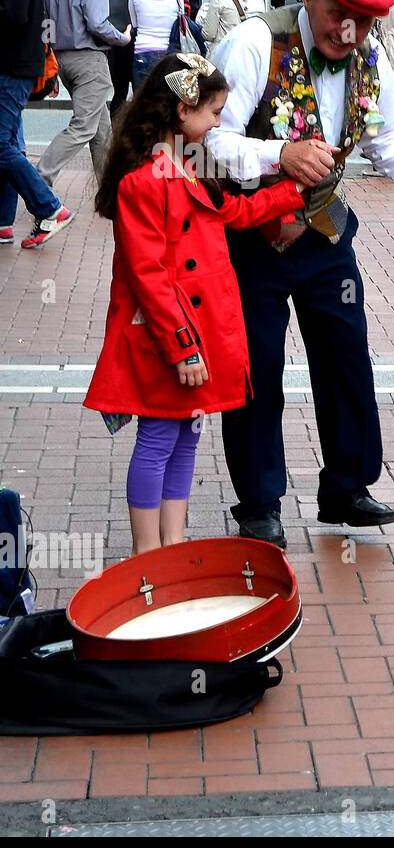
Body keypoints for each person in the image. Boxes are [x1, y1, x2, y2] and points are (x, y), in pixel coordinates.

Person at [206, 0, 394, 549]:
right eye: (340, 15)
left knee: (346, 356)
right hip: (251, 232)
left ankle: (346, 486)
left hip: (323, 231)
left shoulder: (368, 58)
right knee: (255, 367)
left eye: (364, 22)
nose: (350, 32)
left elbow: (386, 141)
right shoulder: (253, 43)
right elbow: (210, 140)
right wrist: (278, 155)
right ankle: (259, 501)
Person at [82, 54, 305, 557]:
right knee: (161, 438)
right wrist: (183, 347)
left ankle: (173, 542)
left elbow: (235, 211)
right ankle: (147, 550)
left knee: (185, 436)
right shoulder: (144, 180)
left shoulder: (183, 166)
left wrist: (292, 191)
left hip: (194, 330)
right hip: (169, 336)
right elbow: (149, 276)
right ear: (182, 110)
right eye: (213, 111)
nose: (218, 122)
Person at [0, 0, 76, 250]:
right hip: (21, 63)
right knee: (9, 143)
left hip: (12, 64)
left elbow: (12, 16)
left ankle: (50, 207)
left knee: (2, 146)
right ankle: (3, 222)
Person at [38, 0, 133, 187]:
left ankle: (110, 185)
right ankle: (41, 176)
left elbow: (46, 23)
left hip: (61, 57)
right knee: (84, 126)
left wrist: (50, 61)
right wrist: (122, 38)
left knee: (101, 128)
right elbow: (97, 24)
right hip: (88, 59)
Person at [128, 0, 184, 88]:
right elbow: (181, 18)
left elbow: (134, 23)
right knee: (167, 102)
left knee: (142, 103)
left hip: (143, 51)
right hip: (170, 53)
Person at [107, 0, 139, 114]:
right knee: (139, 91)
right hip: (137, 42)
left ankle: (116, 128)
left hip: (118, 43)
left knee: (119, 92)